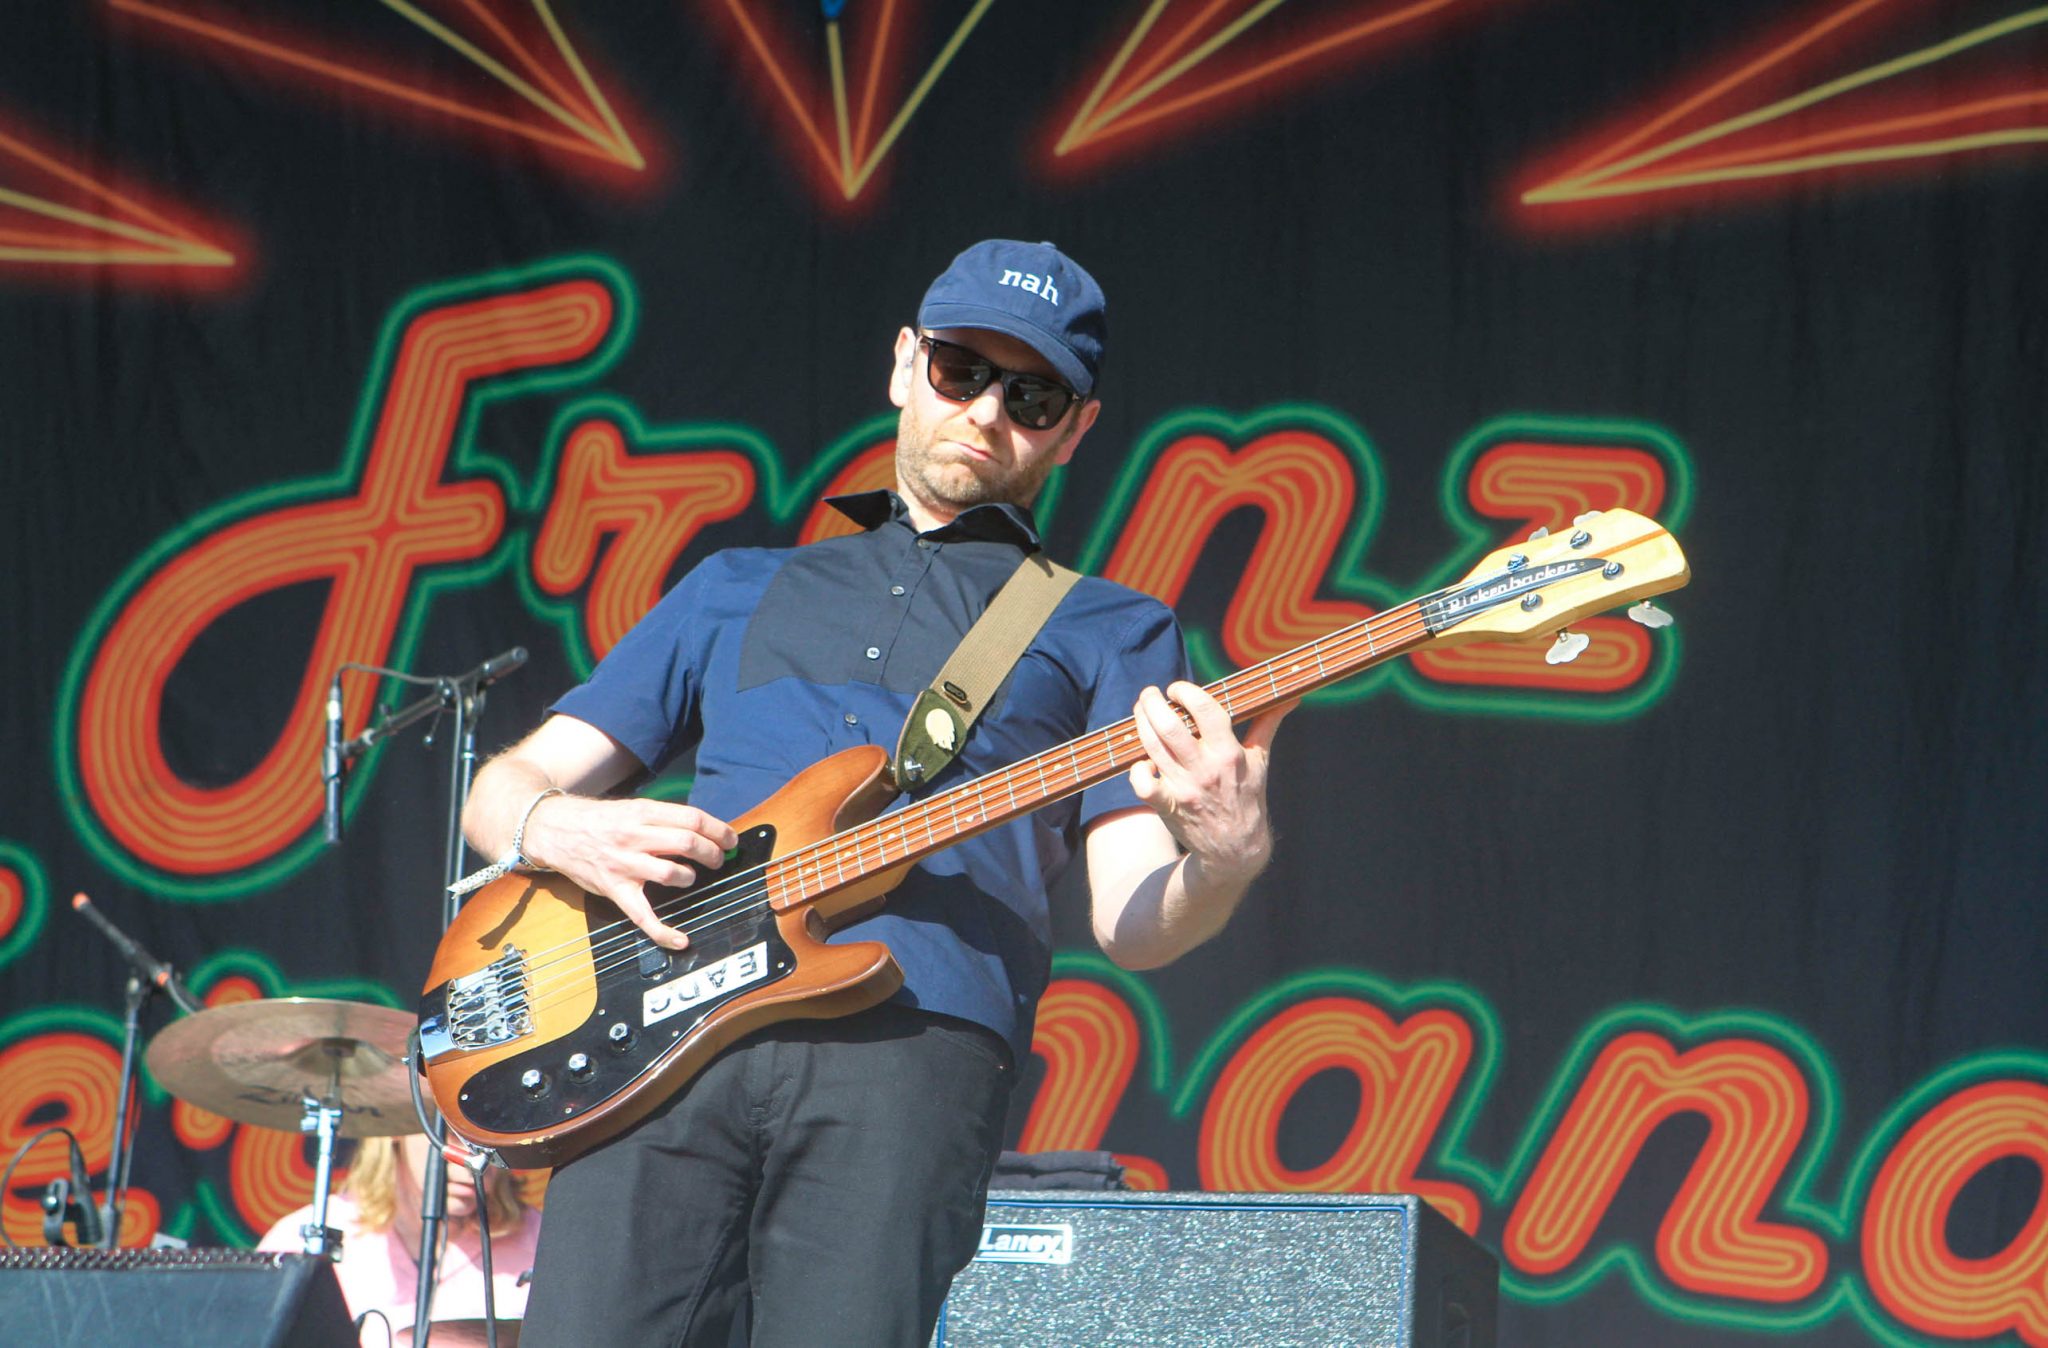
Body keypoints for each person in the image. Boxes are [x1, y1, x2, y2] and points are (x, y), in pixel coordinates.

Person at [459, 238, 1287, 1347]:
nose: (987, 412)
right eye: (961, 370)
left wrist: (1225, 859)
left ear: (1076, 428)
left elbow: (1130, 920)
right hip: (657, 1038)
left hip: (914, 1045)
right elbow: (503, 789)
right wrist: (561, 826)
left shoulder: (1112, 626)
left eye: (1032, 395)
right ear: (904, 363)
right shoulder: (733, 585)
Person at [258, 1133, 541, 1339]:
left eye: (491, 1134)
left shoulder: (543, 1241)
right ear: (397, 1128)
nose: (474, 1157)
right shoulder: (304, 1235)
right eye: (452, 1132)